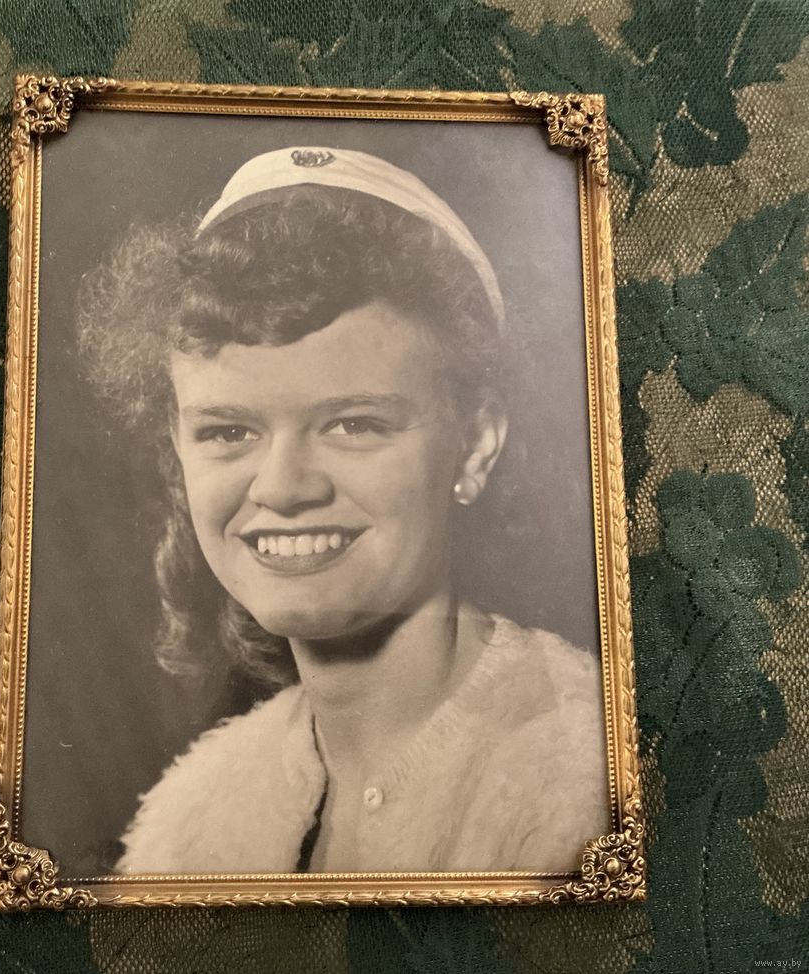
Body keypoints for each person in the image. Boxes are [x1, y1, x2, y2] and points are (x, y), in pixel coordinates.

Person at [78, 146, 610, 874]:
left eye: (354, 423)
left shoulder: (586, 782)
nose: (283, 488)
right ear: (178, 445)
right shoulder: (189, 824)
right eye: (228, 432)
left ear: (475, 444)